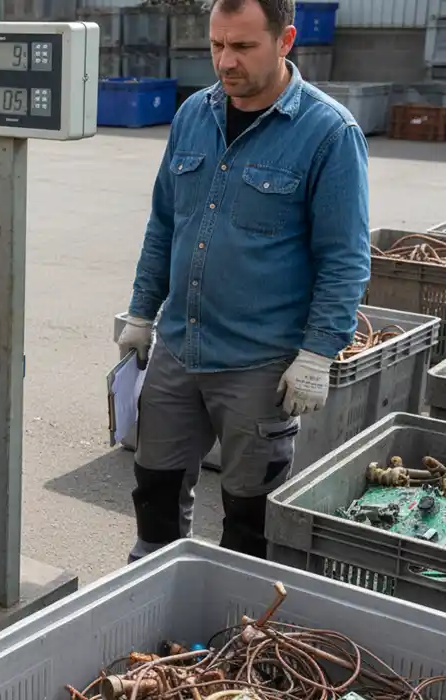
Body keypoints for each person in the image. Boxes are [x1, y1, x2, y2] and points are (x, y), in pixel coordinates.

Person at [117, 0, 371, 561]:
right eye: (216, 45)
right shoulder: (192, 116)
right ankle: (149, 601)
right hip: (179, 349)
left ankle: (239, 625)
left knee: (250, 515)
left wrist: (317, 355)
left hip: (260, 365)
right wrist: (141, 311)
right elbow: (165, 223)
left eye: (243, 47)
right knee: (153, 488)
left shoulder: (328, 133)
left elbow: (344, 259)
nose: (225, 61)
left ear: (285, 42)